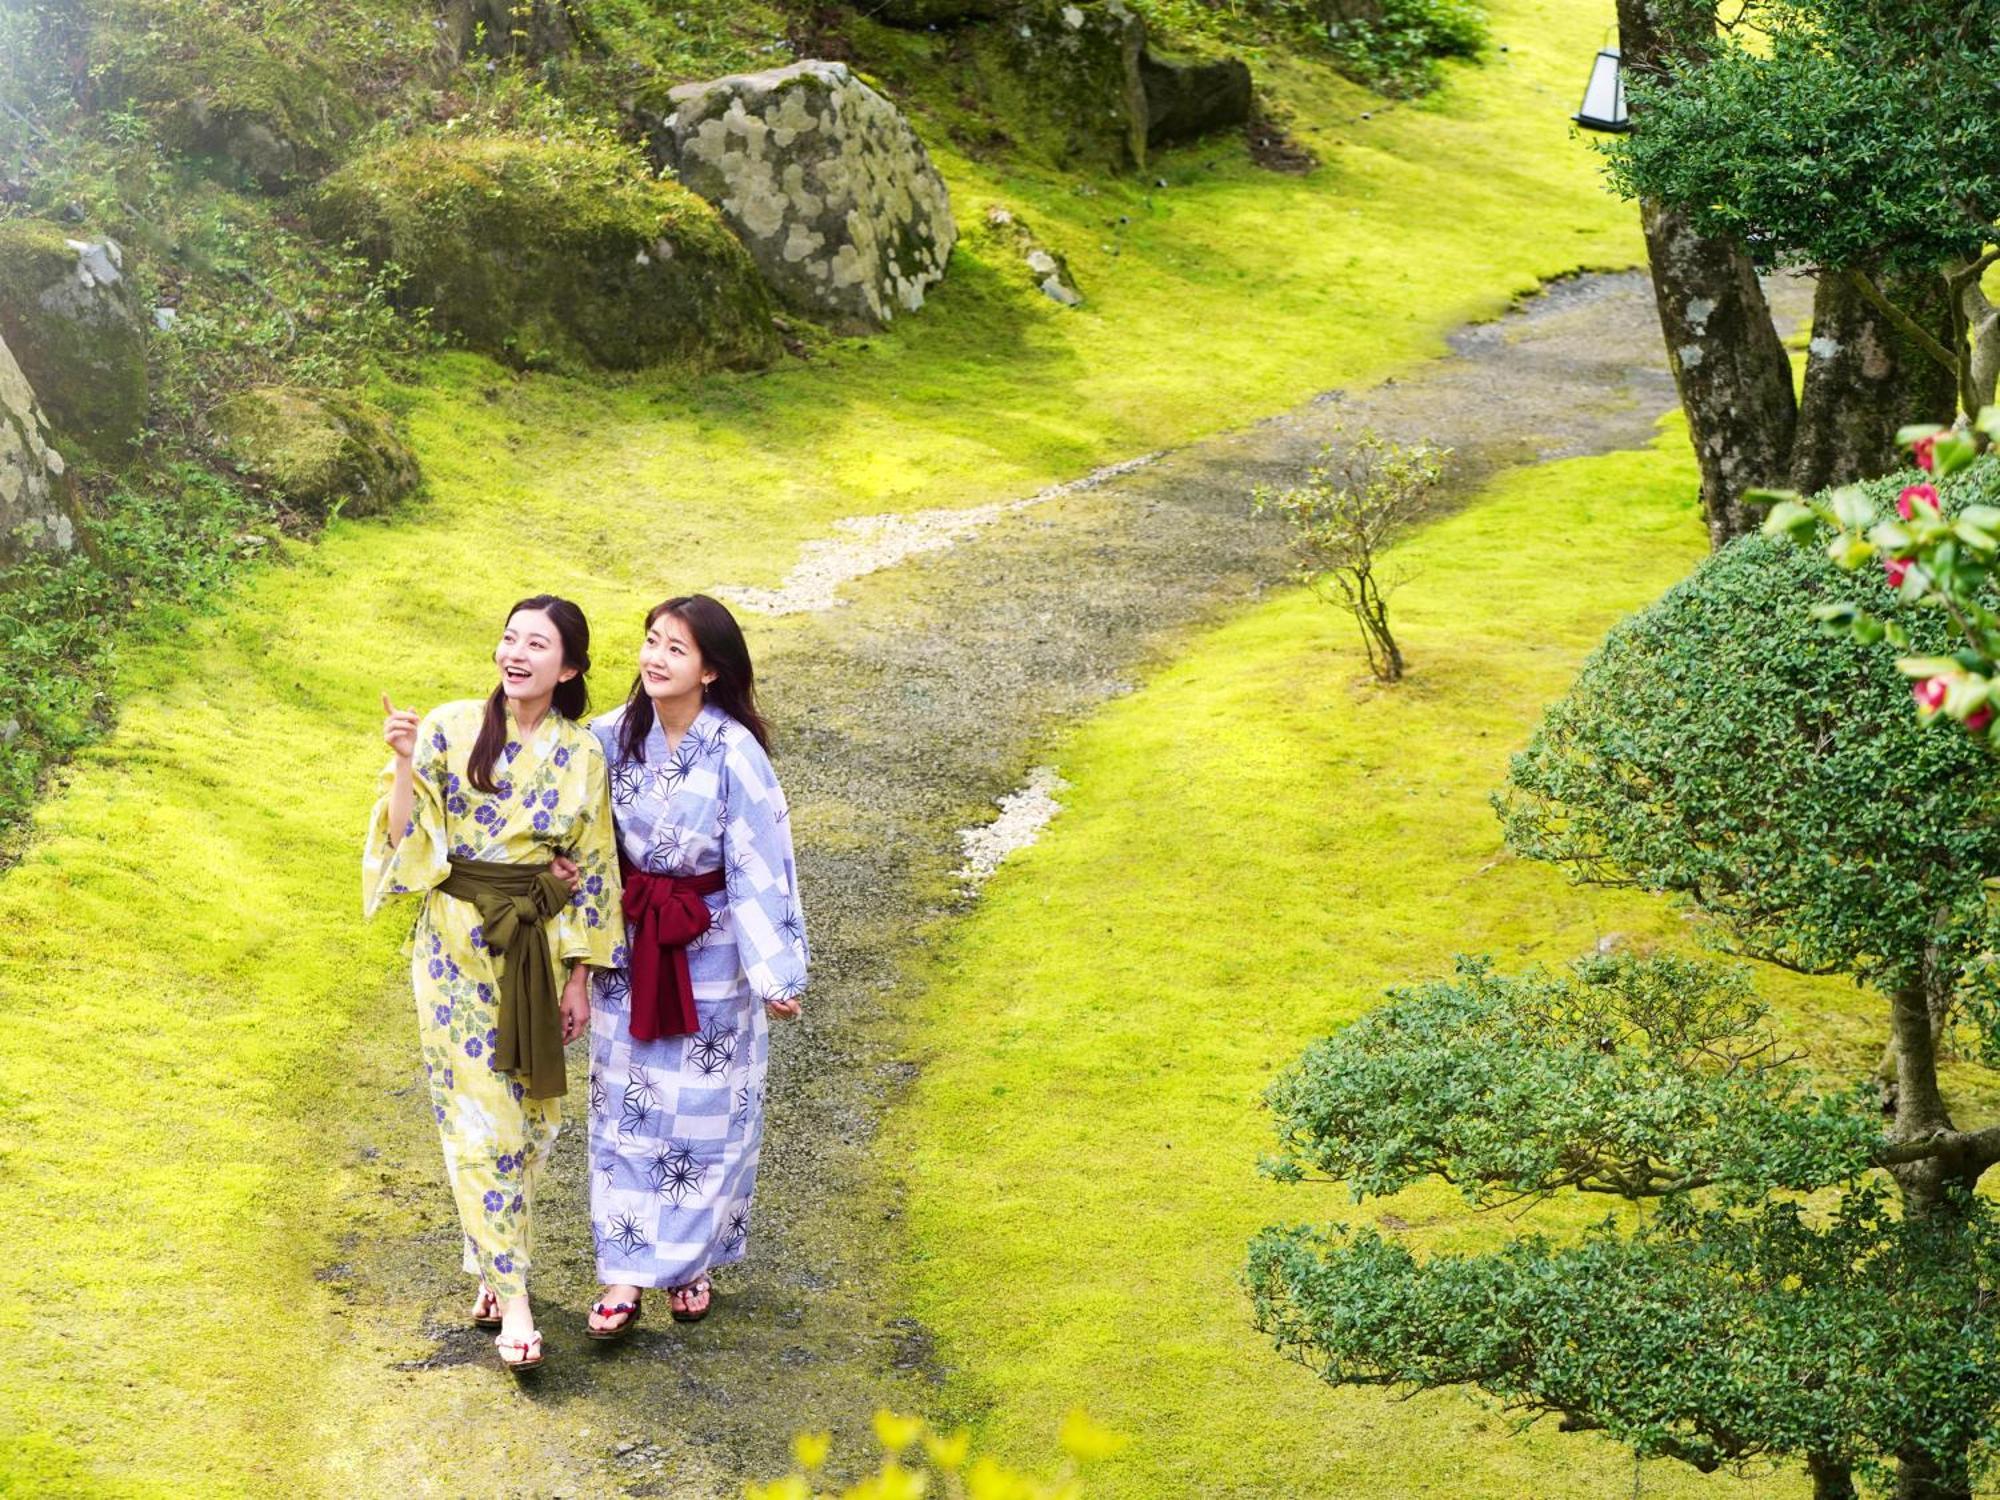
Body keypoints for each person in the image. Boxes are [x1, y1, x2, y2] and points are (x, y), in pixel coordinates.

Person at [364, 594, 623, 1371]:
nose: (515, 652)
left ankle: (486, 1253)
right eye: (509, 638)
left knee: (534, 1119)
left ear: (568, 667)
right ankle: (514, 1300)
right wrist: (406, 761)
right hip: (453, 950)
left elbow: (595, 868)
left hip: (533, 955)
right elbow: (406, 840)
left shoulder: (582, 754)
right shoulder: (448, 726)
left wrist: (579, 977)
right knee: (482, 1128)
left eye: (536, 644)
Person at [576, 594, 807, 1338]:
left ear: (711, 669)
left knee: (708, 1118)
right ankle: (624, 1271)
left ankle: (690, 1262)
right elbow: (574, 835)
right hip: (631, 945)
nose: (655, 658)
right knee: (625, 1112)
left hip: (711, 955)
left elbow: (761, 864)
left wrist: (775, 972)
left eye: (675, 649)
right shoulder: (608, 738)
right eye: (650, 642)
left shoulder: (736, 751)